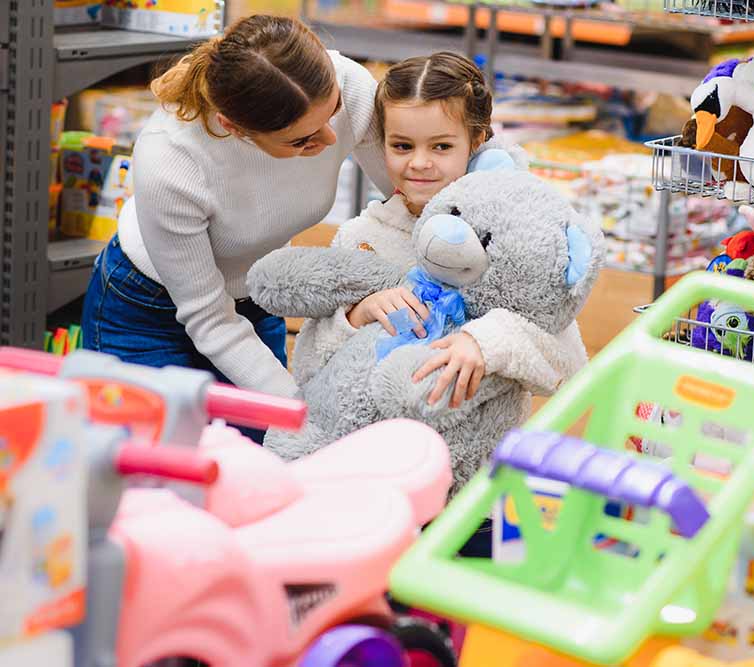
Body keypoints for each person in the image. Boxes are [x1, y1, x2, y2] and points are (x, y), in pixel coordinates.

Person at [288, 52, 590, 556]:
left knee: (465, 612)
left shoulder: (516, 239)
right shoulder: (360, 238)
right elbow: (311, 370)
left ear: (478, 142)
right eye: (401, 145)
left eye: (441, 146)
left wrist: (486, 341)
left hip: (475, 490)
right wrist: (354, 317)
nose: (419, 163)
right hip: (374, 484)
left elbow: (569, 366)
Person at [81, 15, 391, 443]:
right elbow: (210, 320)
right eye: (301, 141)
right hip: (148, 310)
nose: (327, 137)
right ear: (234, 127)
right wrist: (305, 415)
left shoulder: (350, 87)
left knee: (261, 459)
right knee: (157, 471)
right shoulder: (172, 160)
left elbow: (408, 196)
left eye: (333, 111)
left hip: (256, 295)